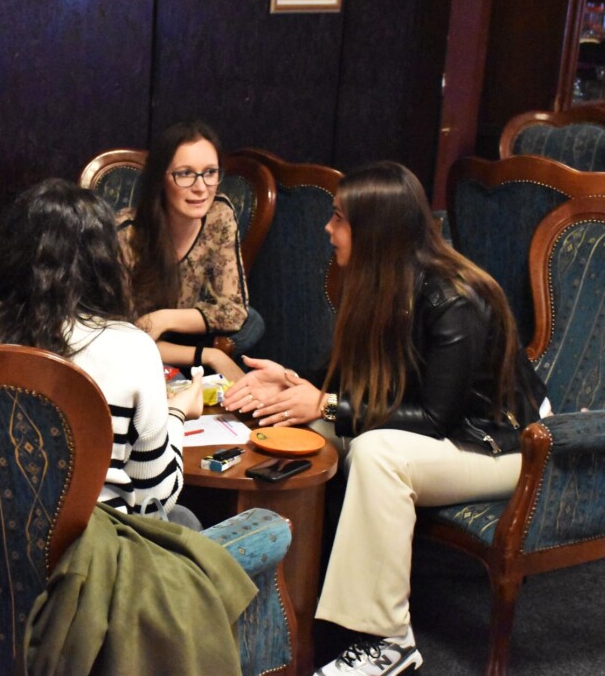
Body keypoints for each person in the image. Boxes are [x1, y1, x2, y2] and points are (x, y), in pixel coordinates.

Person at [222, 161, 547, 675]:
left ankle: (389, 640)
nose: (327, 228)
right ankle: (284, 598)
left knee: (376, 452)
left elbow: (437, 417)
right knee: (298, 423)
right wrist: (295, 384)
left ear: (375, 229)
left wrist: (327, 404)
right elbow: (356, 376)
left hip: (504, 441)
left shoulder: (454, 296)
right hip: (448, 429)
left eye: (339, 218)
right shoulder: (379, 280)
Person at [0, 178, 204, 524]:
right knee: (184, 520)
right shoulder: (132, 348)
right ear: (104, 261)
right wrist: (176, 414)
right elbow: (154, 499)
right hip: (87, 547)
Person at [117, 120, 256, 383]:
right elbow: (124, 338)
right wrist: (211, 356)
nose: (201, 187)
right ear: (161, 178)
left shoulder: (219, 213)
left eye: (210, 172)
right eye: (185, 174)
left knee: (253, 323)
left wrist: (164, 319)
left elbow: (233, 311)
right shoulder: (127, 235)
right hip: (136, 348)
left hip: (181, 328)